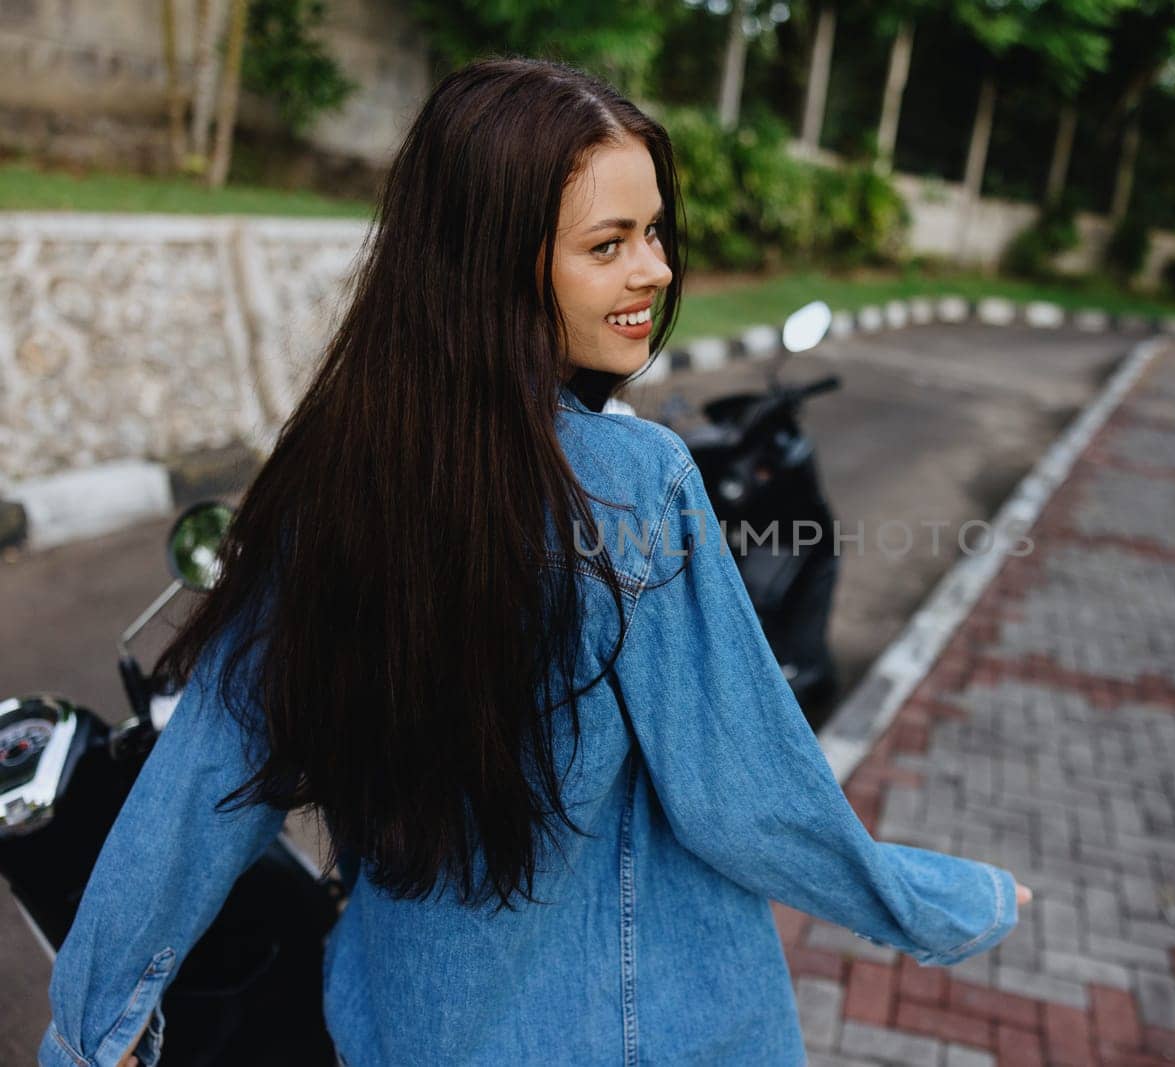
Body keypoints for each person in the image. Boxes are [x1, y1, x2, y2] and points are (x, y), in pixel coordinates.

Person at [40, 58, 1029, 1067]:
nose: (655, 270)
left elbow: (212, 769)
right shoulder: (634, 483)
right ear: (494, 265)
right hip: (648, 1034)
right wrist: (934, 902)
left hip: (402, 1030)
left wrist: (92, 1020)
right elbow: (743, 794)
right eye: (608, 244)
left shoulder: (334, 479)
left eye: (653, 233)